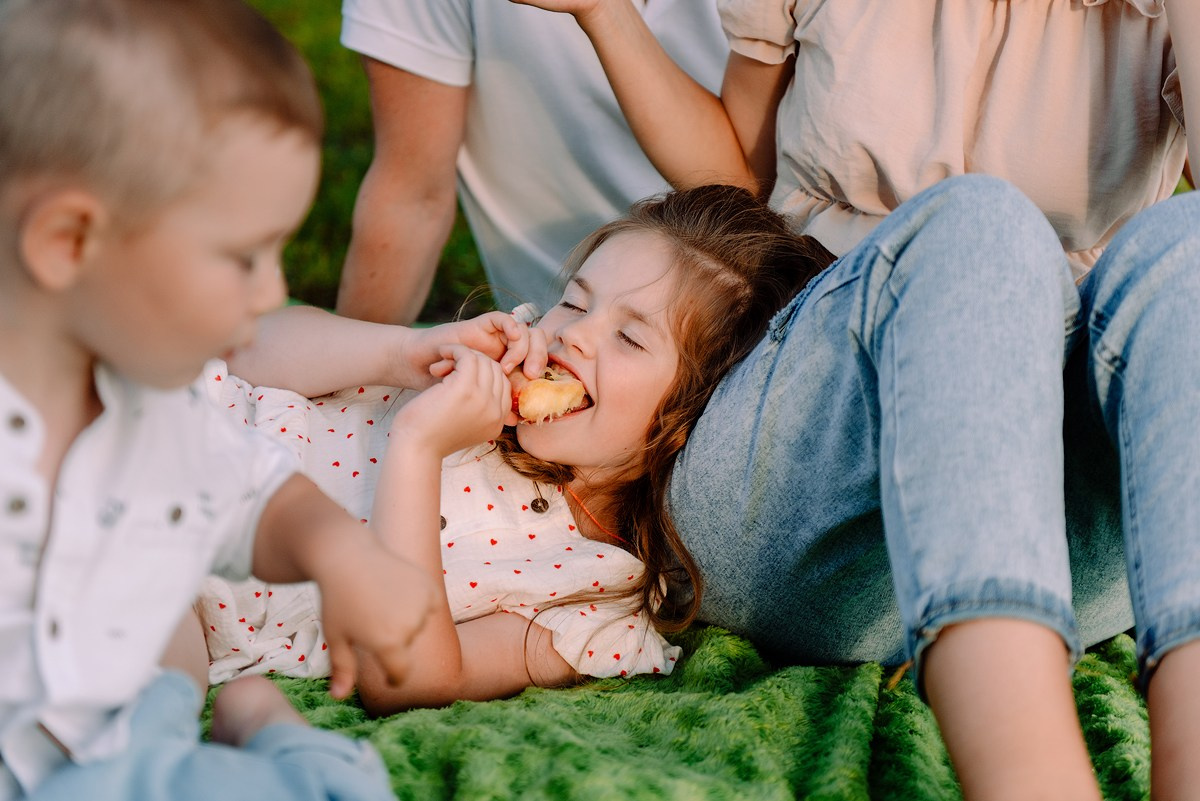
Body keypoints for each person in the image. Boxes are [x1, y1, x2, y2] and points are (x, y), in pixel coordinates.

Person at [509, 1, 1200, 799]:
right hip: (806, 477)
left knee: (1184, 253)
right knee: (979, 222)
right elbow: (738, 178)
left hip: (1058, 512)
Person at [0, 1, 451, 798]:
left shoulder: (154, 410)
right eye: (243, 257)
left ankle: (278, 736)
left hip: (128, 748)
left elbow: (257, 496)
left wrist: (338, 554)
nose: (276, 289)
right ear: (69, 242)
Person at [198, 185, 833, 712]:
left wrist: (418, 449)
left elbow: (410, 682)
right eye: (574, 301)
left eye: (631, 340)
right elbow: (241, 352)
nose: (575, 334)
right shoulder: (473, 369)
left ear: (697, 418)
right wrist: (398, 351)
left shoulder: (598, 597)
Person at [333, 0, 729, 324]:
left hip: (745, 319)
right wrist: (350, 392)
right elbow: (412, 195)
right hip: (553, 332)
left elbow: (755, 194)